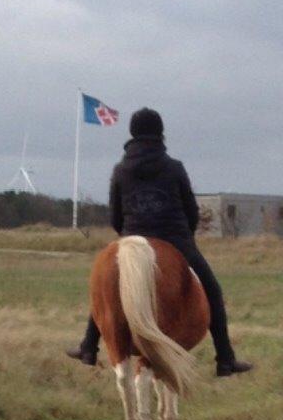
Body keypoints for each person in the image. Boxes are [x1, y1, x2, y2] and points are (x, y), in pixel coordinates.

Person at [66, 108, 253, 377]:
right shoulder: (174, 167)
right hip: (176, 239)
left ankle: (88, 347)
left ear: (132, 134)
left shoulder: (120, 170)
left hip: (133, 239)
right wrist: (184, 238)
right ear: (159, 133)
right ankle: (225, 358)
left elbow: (115, 216)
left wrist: (128, 237)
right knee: (212, 289)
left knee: (107, 291)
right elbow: (191, 210)